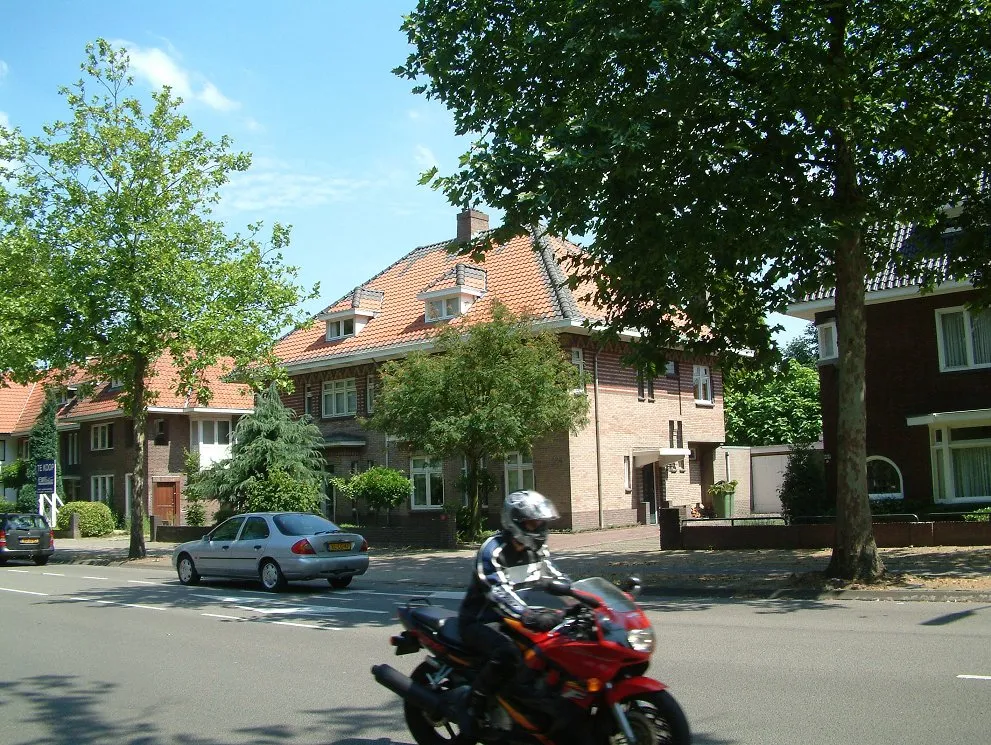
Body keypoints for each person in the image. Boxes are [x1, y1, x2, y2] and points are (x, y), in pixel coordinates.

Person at [456, 489, 570, 741]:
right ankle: (475, 704)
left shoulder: (535, 550)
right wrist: (530, 616)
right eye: (532, 523)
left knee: (555, 649)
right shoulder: (493, 550)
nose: (539, 528)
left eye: (541, 523)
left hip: (515, 620)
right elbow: (499, 593)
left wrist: (584, 601)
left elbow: (556, 578)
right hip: (482, 620)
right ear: (515, 522)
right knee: (508, 654)